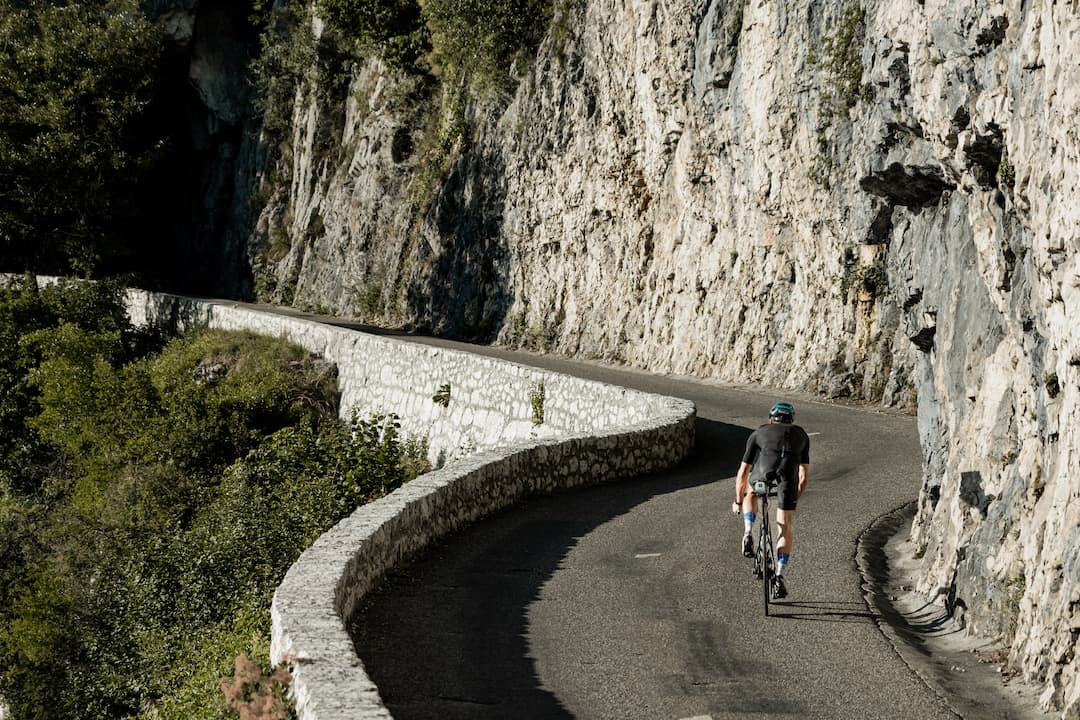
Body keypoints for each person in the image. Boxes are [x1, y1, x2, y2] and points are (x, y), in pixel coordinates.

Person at [731, 401, 810, 599]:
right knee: (785, 527)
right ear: (791, 420)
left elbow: (743, 473)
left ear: (770, 419)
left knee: (752, 492)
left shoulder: (759, 432)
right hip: (787, 480)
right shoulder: (801, 435)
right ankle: (779, 576)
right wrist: (793, 500)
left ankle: (748, 531)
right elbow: (803, 476)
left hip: (763, 474)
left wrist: (738, 502)